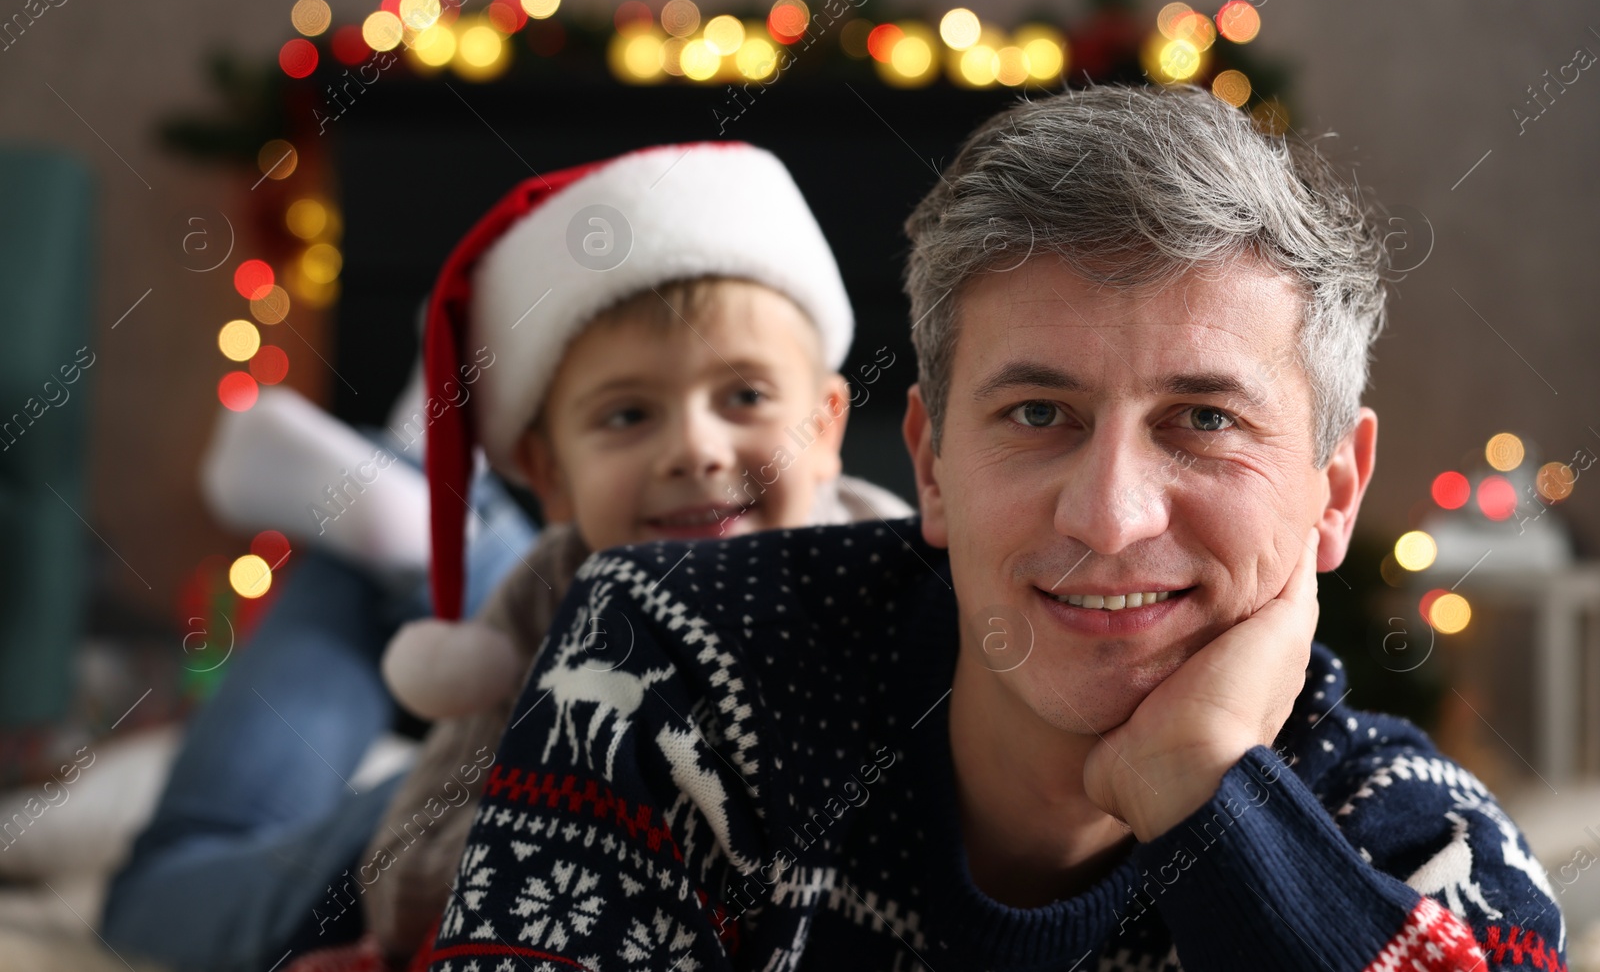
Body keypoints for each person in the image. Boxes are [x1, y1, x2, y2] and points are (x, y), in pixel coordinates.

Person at [416, 85, 1567, 971]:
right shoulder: (660, 650)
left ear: (1333, 489)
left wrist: (1204, 785)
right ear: (926, 462)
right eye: (1036, 412)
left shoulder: (1411, 839)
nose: (1109, 517)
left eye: (1202, 419)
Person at [100, 142, 911, 972]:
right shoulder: (556, 595)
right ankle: (423, 508)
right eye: (630, 414)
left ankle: (424, 505)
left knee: (172, 871)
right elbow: (441, 824)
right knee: (158, 891)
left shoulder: (893, 589)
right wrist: (393, 942)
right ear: (550, 475)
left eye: (744, 396)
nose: (697, 448)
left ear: (828, 425)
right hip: (447, 829)